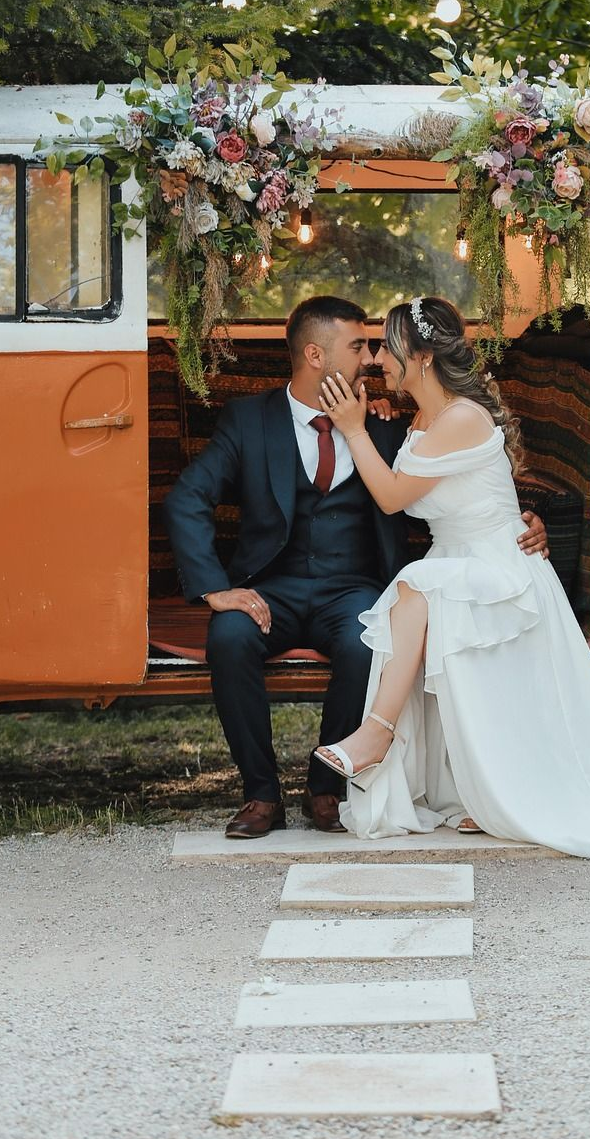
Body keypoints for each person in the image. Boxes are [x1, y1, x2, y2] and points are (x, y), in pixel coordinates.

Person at [314, 296, 590, 859]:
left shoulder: (462, 417)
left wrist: (352, 430)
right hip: (462, 556)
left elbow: (392, 497)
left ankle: (376, 735)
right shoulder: (422, 416)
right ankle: (456, 779)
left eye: (386, 349)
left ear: (418, 356)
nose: (376, 361)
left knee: (416, 587)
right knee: (417, 588)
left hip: (496, 565)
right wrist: (369, 422)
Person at [163, 295, 548, 839]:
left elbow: (468, 481)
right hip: (270, 588)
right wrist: (213, 591)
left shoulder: (389, 423)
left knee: (368, 640)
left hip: (352, 588)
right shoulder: (249, 419)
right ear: (316, 355)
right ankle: (260, 794)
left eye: (377, 347)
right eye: (358, 346)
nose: (371, 358)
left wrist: (522, 522)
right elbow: (187, 499)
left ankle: (327, 787)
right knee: (228, 636)